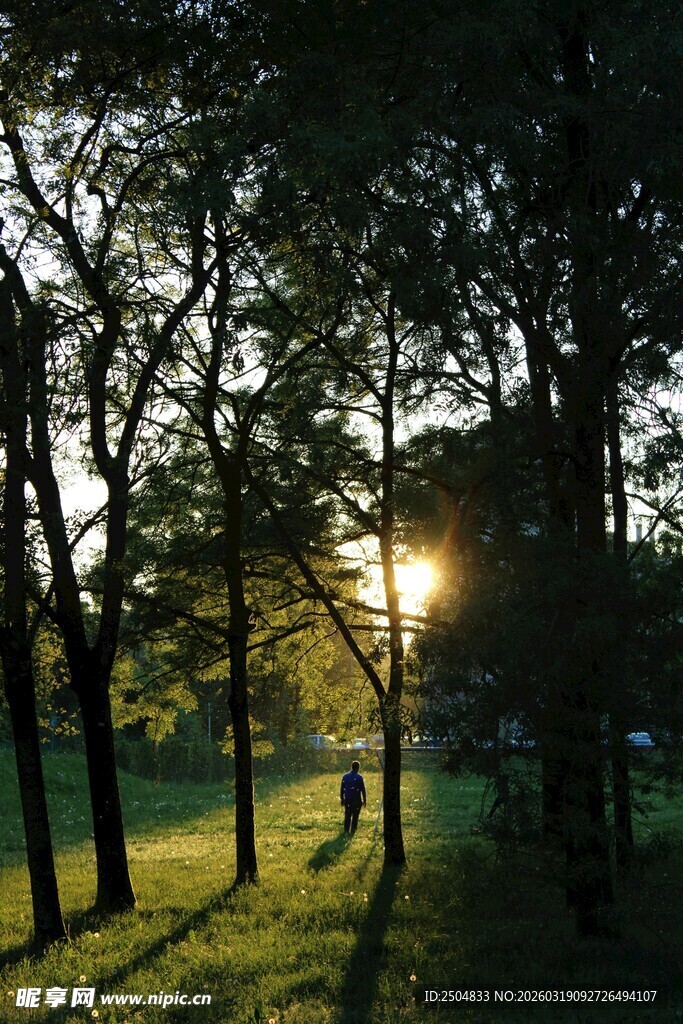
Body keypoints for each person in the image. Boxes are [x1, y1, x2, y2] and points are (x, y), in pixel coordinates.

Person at [340, 760, 366, 834]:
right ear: (358, 768)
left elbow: (342, 789)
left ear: (351, 767)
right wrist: (364, 800)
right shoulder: (359, 777)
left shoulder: (345, 776)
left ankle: (346, 830)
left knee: (347, 815)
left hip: (348, 799)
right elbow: (363, 790)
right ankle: (353, 830)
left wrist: (342, 799)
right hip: (356, 800)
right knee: (355, 816)